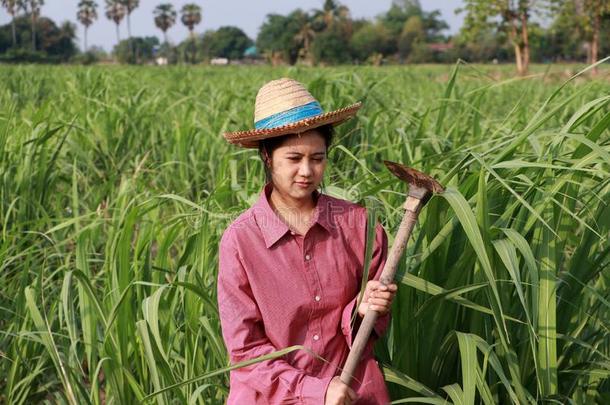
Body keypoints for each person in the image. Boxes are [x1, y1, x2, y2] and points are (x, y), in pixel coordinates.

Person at [217, 78, 398, 405]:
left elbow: (370, 329)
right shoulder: (241, 241)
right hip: (270, 396)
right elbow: (245, 350)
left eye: (317, 157)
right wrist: (316, 391)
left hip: (352, 390)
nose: (307, 170)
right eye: (293, 158)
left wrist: (365, 309)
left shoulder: (360, 225)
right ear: (268, 157)